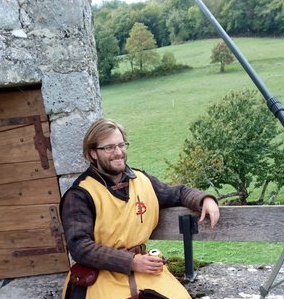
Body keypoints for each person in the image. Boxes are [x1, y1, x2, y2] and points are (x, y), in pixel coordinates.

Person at [60, 118, 220, 299]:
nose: (118, 152)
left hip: (145, 269)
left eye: (121, 145)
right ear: (93, 153)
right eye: (109, 147)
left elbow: (178, 193)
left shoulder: (142, 180)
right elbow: (80, 247)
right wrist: (131, 262)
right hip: (102, 274)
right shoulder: (79, 195)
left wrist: (204, 199)